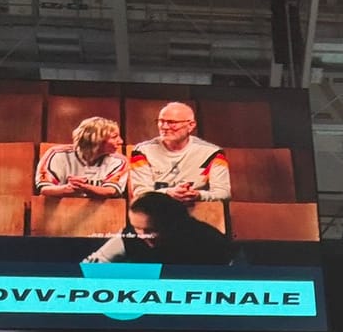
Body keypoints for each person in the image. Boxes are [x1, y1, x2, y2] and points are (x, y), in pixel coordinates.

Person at [83, 190, 233, 266]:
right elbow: (91, 266)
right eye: (136, 228)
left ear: (171, 222)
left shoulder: (209, 240)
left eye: (150, 230)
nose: (142, 236)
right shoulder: (130, 235)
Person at [129, 102, 230, 204]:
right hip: (156, 212)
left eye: (172, 122)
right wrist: (167, 193)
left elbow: (223, 192)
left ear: (191, 125)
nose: (164, 127)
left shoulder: (213, 153)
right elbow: (140, 193)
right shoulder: (142, 151)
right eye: (161, 121)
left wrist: (198, 195)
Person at [35, 115, 129, 198]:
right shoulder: (57, 154)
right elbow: (45, 189)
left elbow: (111, 191)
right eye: (114, 137)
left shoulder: (119, 161)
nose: (121, 141)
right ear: (96, 139)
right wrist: (67, 188)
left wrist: (84, 187)